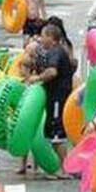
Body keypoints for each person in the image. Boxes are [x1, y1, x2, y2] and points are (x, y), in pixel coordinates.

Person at [26, 25, 74, 158]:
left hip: (57, 98)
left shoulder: (55, 52)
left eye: (43, 36)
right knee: (53, 132)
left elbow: (52, 71)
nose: (41, 39)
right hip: (56, 97)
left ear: (50, 38)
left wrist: (38, 78)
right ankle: (63, 167)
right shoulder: (57, 51)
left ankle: (64, 168)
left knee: (56, 134)